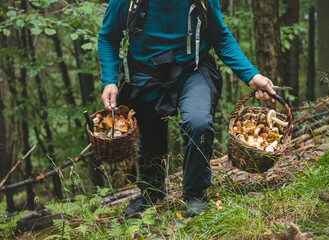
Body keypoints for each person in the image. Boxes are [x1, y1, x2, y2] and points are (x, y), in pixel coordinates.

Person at [98, 0, 276, 217]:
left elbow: (220, 36)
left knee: (198, 123)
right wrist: (109, 80)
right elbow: (108, 37)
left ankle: (195, 194)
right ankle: (151, 194)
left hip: (192, 69)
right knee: (151, 135)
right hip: (145, 73)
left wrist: (251, 74)